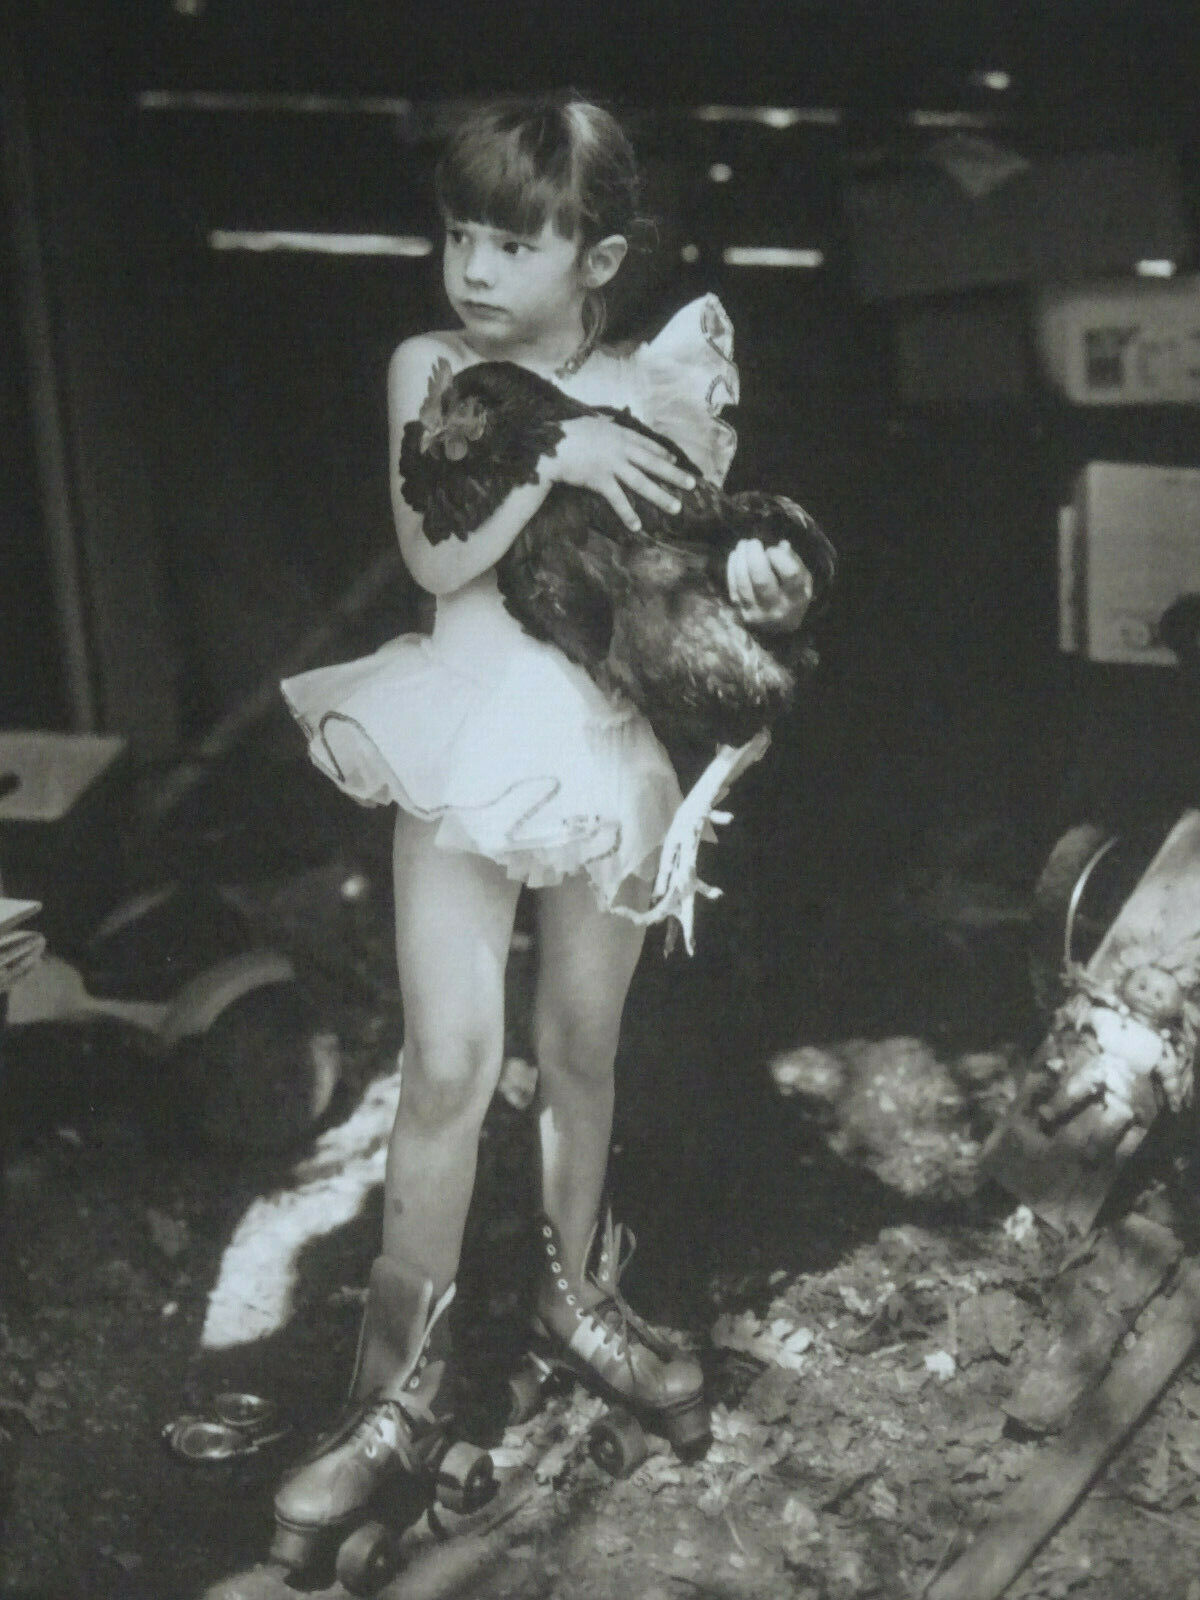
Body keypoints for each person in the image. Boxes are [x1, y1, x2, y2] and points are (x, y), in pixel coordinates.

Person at [272, 92, 817, 1576]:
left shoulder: (654, 384)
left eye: (514, 243)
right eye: (459, 234)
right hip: (461, 738)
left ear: (599, 257)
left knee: (582, 1047)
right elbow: (432, 551)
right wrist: (551, 458)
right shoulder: (435, 368)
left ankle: (578, 1296)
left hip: (598, 753)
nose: (473, 268)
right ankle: (393, 1391)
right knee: (449, 1064)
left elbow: (698, 567)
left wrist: (770, 583)